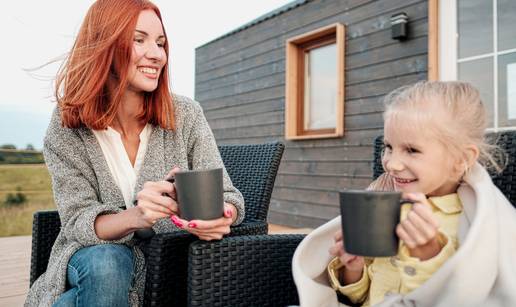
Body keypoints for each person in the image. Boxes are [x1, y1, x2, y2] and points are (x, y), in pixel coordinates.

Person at [25, 0, 245, 306]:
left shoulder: (186, 115)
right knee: (108, 263)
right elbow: (77, 220)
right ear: (104, 44)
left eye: (161, 43)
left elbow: (229, 197)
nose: (157, 54)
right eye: (139, 40)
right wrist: (138, 215)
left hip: (170, 266)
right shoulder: (66, 126)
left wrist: (222, 217)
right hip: (90, 260)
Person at [292, 81, 516, 307]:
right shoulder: (386, 208)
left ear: (462, 159)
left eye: (411, 150)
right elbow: (361, 298)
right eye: (389, 147)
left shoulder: (475, 229)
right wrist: (354, 268)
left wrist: (428, 255)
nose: (392, 164)